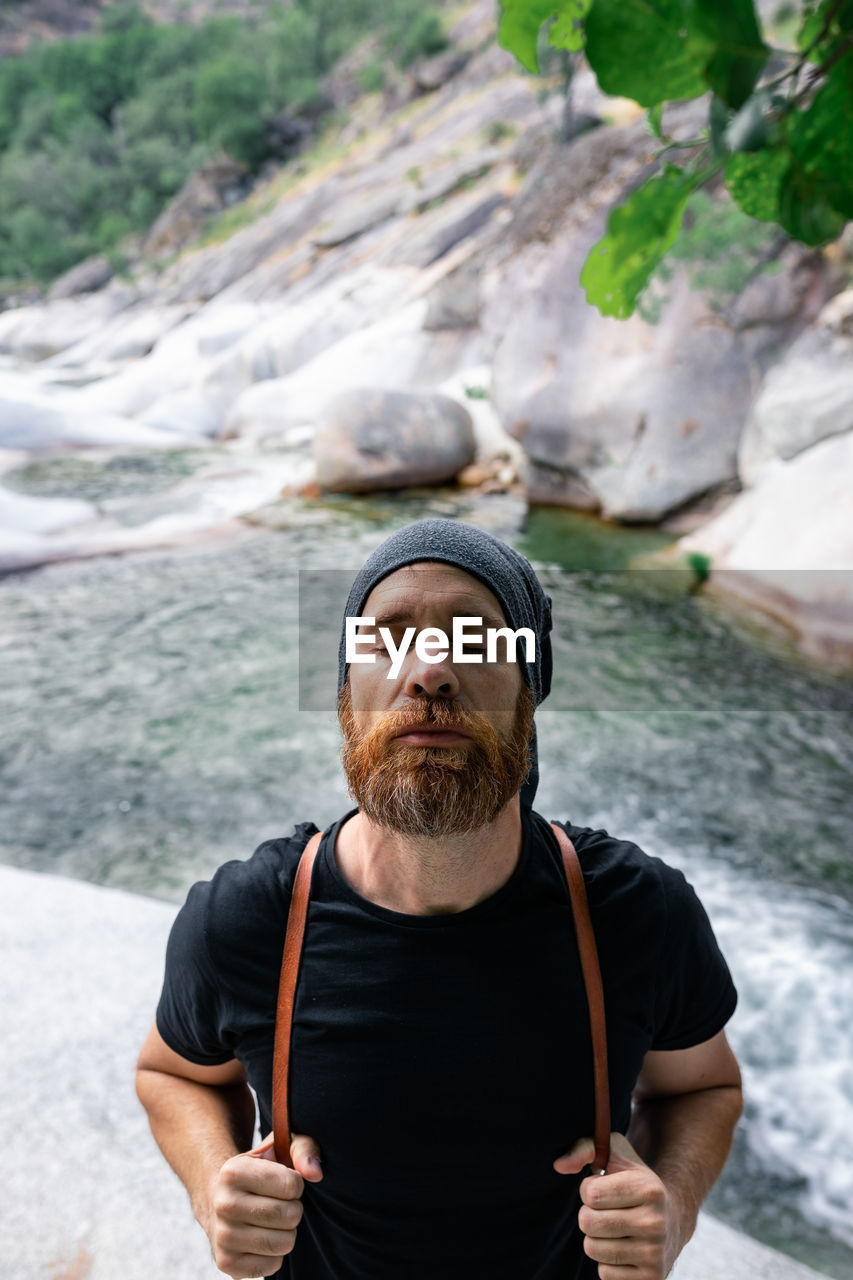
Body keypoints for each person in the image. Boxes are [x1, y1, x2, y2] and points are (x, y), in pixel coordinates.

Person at [136, 517, 742, 1280]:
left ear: (530, 688)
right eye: (384, 640)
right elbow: (173, 1073)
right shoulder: (247, 917)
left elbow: (704, 1088)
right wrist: (210, 1183)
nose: (428, 672)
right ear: (345, 696)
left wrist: (674, 1206)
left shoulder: (635, 910)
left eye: (478, 639)